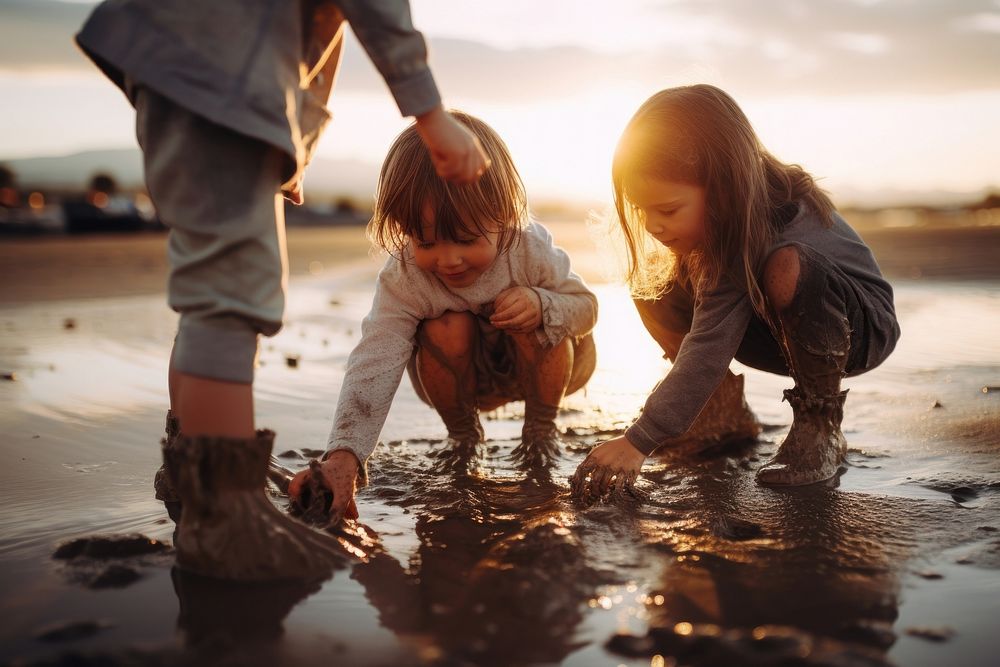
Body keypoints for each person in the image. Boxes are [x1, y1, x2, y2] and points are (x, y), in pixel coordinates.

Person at [74, 0, 490, 581]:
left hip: (177, 65)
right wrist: (430, 114)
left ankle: (193, 465)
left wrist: (293, 144)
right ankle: (226, 514)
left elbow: (311, 41)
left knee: (213, 292)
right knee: (231, 298)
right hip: (223, 76)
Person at [571, 84, 900, 499]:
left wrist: (640, 439)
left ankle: (820, 427)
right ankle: (720, 412)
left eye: (668, 209)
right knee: (652, 281)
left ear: (724, 187)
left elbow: (708, 346)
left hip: (858, 329)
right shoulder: (720, 228)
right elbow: (706, 340)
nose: (653, 225)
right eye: (642, 209)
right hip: (777, 327)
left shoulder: (765, 219)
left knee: (786, 265)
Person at [289, 111, 597, 524]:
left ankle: (540, 433)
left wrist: (544, 304)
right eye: (426, 242)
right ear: (402, 228)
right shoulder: (406, 276)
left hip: (544, 371)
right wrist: (345, 453)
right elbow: (375, 356)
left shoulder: (527, 247)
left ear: (503, 215)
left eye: (467, 240)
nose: (448, 260)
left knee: (535, 313)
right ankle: (464, 435)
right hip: (460, 380)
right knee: (444, 323)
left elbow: (587, 307)